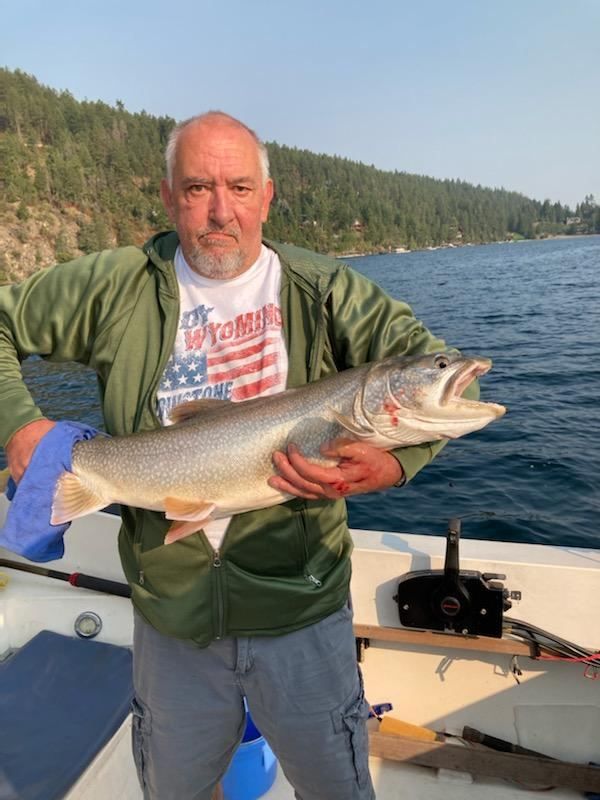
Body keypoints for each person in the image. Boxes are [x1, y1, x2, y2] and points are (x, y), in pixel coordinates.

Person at [0, 112, 471, 799]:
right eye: (197, 189)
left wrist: (399, 463)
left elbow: (439, 379)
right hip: (173, 623)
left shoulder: (327, 290)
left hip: (302, 613)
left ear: (268, 197)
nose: (220, 210)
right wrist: (19, 425)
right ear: (167, 197)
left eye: (240, 188)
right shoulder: (116, 286)